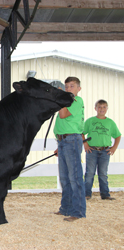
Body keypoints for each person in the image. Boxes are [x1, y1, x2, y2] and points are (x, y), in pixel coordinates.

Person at [53, 76, 86, 222]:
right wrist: (59, 144)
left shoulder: (76, 101)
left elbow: (63, 114)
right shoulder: (67, 102)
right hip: (63, 140)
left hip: (72, 140)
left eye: (71, 86)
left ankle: (77, 211)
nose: (68, 89)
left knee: (75, 178)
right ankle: (65, 208)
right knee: (65, 178)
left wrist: (61, 97)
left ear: (79, 89)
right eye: (66, 86)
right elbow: (61, 124)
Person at [83, 99, 121, 200]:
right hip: (92, 150)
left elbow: (118, 135)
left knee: (103, 173)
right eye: (99, 107)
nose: (102, 109)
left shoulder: (110, 123)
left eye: (104, 107)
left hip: (105, 151)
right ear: (95, 108)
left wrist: (114, 147)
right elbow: (81, 132)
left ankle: (105, 194)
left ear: (107, 109)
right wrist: (85, 144)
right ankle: (86, 194)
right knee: (89, 173)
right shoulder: (90, 121)